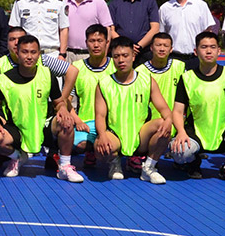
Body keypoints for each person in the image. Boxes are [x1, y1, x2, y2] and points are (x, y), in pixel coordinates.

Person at [0, 35, 81, 181]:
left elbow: (58, 102)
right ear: (17, 53)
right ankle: (17, 157)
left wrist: (62, 108)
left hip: (44, 126)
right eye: (25, 52)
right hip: (17, 128)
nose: (29, 56)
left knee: (67, 123)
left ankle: (65, 166)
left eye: (33, 52)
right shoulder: (4, 80)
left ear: (39, 54)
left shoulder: (47, 74)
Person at [169, 31, 225, 183]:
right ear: (196, 51)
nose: (209, 51)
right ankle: (193, 162)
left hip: (224, 132)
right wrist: (181, 132)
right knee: (179, 152)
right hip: (196, 132)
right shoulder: (187, 78)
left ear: (219, 51)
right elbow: (177, 111)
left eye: (212, 47)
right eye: (204, 47)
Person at [0, 26, 78, 148]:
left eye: (20, 39)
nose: (16, 42)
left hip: (41, 117)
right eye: (12, 39)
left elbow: (72, 71)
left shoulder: (42, 60)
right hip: (13, 120)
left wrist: (62, 102)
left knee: (65, 122)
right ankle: (15, 155)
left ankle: (58, 155)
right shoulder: (0, 65)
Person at [93, 36, 174, 184]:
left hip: (141, 135)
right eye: (116, 56)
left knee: (164, 124)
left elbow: (165, 109)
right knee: (99, 146)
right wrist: (102, 135)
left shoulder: (147, 80)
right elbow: (100, 115)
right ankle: (114, 163)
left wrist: (169, 120)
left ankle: (149, 167)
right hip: (115, 135)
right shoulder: (104, 83)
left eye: (125, 55)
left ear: (133, 56)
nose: (121, 60)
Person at [67, 24, 115, 171]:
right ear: (86, 43)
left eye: (100, 41)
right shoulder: (76, 67)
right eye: (92, 41)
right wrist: (78, 121)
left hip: (112, 124)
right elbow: (67, 100)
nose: (96, 45)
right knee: (79, 144)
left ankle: (116, 159)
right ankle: (91, 151)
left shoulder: (116, 66)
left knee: (107, 149)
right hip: (86, 123)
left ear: (107, 42)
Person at [159, 0, 216, 67]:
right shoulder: (164, 8)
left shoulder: (201, 5)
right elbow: (162, 35)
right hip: (173, 58)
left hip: (197, 57)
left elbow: (208, 31)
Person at [107, 0, 160, 67]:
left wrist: (138, 46)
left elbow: (155, 29)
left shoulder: (150, 3)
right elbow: (111, 30)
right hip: (121, 54)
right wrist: (126, 46)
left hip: (144, 53)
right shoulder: (114, 4)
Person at [63, 0, 114, 64]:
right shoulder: (63, 1)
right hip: (67, 55)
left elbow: (107, 29)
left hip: (90, 55)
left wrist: (103, 54)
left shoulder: (99, 2)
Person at [136, 33, 185, 128]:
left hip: (177, 125)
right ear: (151, 47)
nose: (162, 49)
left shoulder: (180, 67)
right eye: (158, 45)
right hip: (150, 126)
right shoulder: (140, 71)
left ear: (171, 49)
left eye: (166, 46)